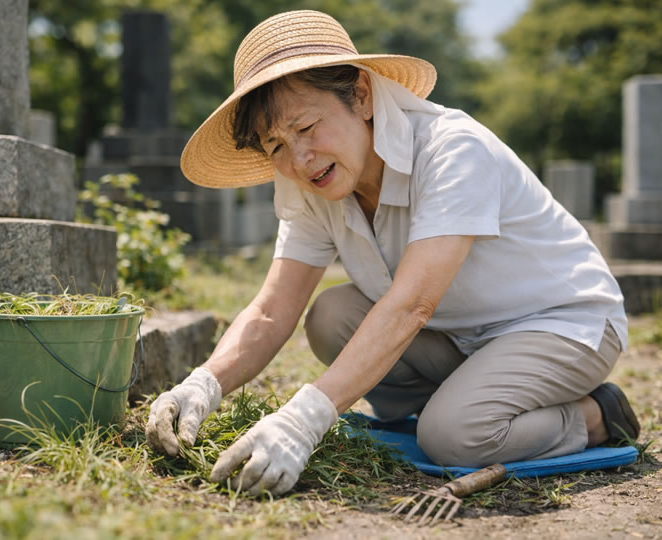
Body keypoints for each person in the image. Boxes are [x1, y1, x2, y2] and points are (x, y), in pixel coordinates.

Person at [145, 10, 640, 496]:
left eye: (306, 127)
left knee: (454, 437)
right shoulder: (310, 187)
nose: (298, 159)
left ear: (360, 96)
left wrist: (302, 421)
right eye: (275, 146)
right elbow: (273, 309)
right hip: (460, 335)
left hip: (561, 324)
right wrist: (201, 385)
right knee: (332, 316)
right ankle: (465, 404)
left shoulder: (451, 150)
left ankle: (594, 415)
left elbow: (412, 304)